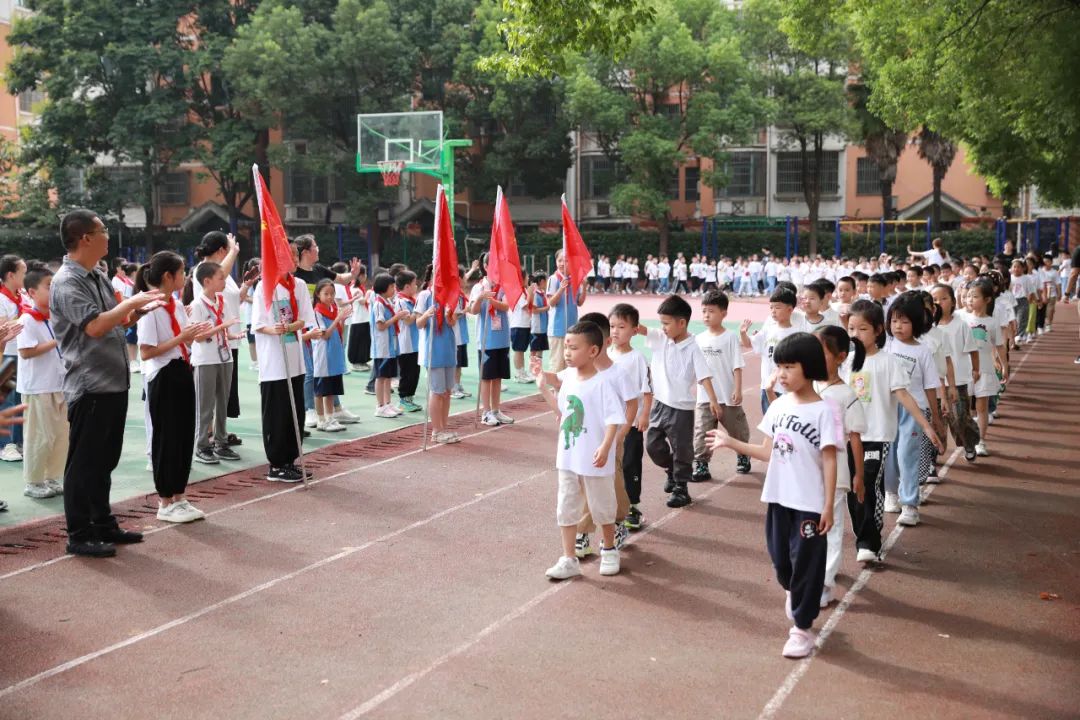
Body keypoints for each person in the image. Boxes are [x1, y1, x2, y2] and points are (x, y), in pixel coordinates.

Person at [708, 332, 840, 658]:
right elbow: (766, 451)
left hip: (809, 504)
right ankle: (794, 592)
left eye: (789, 367)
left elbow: (829, 459)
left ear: (808, 367)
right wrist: (730, 442)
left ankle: (802, 629)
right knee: (781, 561)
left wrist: (828, 505)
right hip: (779, 499)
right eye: (779, 366)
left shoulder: (826, 411)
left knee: (807, 564)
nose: (781, 374)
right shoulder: (779, 405)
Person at [51, 210, 161, 556]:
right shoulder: (67, 281)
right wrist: (129, 303)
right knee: (84, 463)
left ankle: (102, 523)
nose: (107, 235)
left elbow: (113, 318)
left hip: (111, 383)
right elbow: (94, 326)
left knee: (104, 460)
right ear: (85, 238)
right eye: (102, 230)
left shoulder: (96, 275)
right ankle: (79, 533)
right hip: (90, 385)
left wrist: (136, 311)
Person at [845, 300, 939, 563]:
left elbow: (904, 396)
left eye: (862, 329)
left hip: (877, 437)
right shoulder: (846, 361)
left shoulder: (888, 362)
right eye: (851, 328)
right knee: (853, 491)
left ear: (877, 330)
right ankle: (863, 535)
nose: (855, 335)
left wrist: (926, 425)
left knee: (868, 485)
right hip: (850, 438)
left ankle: (869, 542)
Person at [534, 321, 625, 580]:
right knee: (566, 505)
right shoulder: (570, 379)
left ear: (593, 351)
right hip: (568, 456)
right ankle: (568, 557)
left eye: (574, 348)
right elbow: (562, 413)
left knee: (602, 505)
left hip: (594, 458)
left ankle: (609, 550)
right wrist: (543, 387)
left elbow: (613, 420)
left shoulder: (602, 383)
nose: (567, 352)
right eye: (566, 347)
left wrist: (606, 447)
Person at [137, 252, 215, 523]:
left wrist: (198, 334)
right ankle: (165, 500)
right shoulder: (151, 307)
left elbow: (184, 338)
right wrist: (182, 337)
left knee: (183, 436)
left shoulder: (176, 304)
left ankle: (180, 495)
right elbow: (146, 352)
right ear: (168, 276)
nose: (185, 277)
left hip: (183, 369)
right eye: (181, 273)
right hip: (163, 375)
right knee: (167, 438)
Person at [638, 295, 718, 508]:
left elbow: (704, 376)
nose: (662, 327)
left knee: (682, 448)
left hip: (681, 408)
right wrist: (625, 322)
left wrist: (713, 401)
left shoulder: (693, 347)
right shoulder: (660, 338)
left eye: (666, 323)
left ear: (681, 323)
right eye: (661, 323)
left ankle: (681, 488)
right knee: (653, 446)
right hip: (660, 404)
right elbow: (640, 328)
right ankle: (672, 470)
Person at [572, 312, 638, 559]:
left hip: (612, 440)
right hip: (587, 438)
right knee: (586, 483)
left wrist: (622, 433)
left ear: (602, 344)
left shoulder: (617, 373)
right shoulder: (580, 373)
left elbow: (631, 404)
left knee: (608, 483)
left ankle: (612, 523)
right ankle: (587, 532)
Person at [252, 253, 317, 482]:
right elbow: (259, 324)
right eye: (288, 254)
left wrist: (291, 326)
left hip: (295, 359)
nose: (294, 258)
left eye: (295, 254)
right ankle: (276, 464)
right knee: (277, 414)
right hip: (274, 364)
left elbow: (305, 319)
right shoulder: (264, 286)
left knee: (294, 412)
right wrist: (275, 329)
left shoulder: (298, 285)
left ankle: (290, 460)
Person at [813, 326, 866, 606]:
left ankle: (824, 582)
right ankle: (814, 571)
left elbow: (855, 438)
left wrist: (859, 475)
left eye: (820, 352)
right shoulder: (809, 387)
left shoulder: (846, 394)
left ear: (840, 356)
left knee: (832, 527)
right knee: (812, 523)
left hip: (838, 473)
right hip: (810, 470)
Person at [881, 292, 944, 527]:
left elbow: (930, 386)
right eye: (894, 320)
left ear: (917, 324)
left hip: (914, 411)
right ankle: (891, 493)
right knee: (889, 454)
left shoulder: (922, 351)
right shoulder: (886, 345)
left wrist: (935, 418)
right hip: (888, 408)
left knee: (907, 456)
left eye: (905, 321)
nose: (898, 326)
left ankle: (910, 504)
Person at [292, 235, 361, 428]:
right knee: (311, 371)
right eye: (315, 246)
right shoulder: (295, 274)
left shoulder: (319, 270)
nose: (318, 249)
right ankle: (310, 410)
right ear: (305, 251)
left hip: (323, 323)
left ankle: (335, 408)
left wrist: (353, 274)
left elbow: (341, 279)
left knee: (330, 369)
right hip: (305, 326)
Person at [188, 232, 245, 441]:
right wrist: (234, 251)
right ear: (222, 250)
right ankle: (207, 435)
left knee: (224, 393)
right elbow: (220, 273)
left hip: (226, 341)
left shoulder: (224, 275)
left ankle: (220, 433)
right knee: (208, 394)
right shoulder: (205, 271)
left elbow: (232, 298)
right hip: (210, 342)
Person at [17, 265, 67, 499]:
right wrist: (57, 341)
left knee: (59, 436)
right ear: (32, 292)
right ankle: (33, 481)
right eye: (49, 287)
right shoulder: (27, 319)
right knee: (39, 436)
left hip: (58, 384)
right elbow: (26, 351)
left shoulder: (55, 318)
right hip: (37, 387)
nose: (53, 291)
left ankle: (52, 477)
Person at [692, 290, 751, 481]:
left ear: (724, 313)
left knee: (737, 429)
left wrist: (738, 389)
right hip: (705, 398)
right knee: (703, 431)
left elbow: (737, 366)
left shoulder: (730, 337)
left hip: (728, 395)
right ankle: (701, 464)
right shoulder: (698, 339)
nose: (706, 315)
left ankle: (743, 454)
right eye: (704, 311)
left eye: (711, 311)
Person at [607, 303, 651, 531]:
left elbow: (647, 390)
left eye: (621, 327)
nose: (615, 331)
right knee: (612, 465)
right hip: (609, 424)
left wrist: (644, 414)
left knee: (630, 464)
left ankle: (633, 506)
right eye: (612, 326)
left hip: (632, 424)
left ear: (635, 330)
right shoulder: (605, 356)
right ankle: (615, 505)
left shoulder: (637, 359)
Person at [931, 283, 980, 462]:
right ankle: (934, 454)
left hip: (958, 380)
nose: (939, 303)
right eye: (934, 300)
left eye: (943, 299)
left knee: (959, 418)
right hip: (934, 383)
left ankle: (969, 442)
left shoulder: (962, 324)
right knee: (937, 422)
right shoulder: (928, 328)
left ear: (952, 301)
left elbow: (973, 349)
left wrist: (976, 369)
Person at [959, 278, 1007, 456]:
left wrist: (1004, 366)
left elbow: (999, 346)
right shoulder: (962, 317)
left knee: (982, 407)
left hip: (985, 370)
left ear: (987, 300)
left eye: (975, 296)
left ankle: (980, 441)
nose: (970, 300)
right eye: (968, 296)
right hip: (965, 370)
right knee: (965, 408)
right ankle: (969, 438)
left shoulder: (992, 322)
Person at [741, 288, 804, 414]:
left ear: (790, 309)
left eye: (777, 308)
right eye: (771, 308)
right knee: (770, 420)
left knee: (787, 419)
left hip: (789, 387)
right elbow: (749, 344)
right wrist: (743, 333)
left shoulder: (797, 334)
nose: (773, 311)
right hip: (768, 385)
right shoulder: (768, 330)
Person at [416, 265, 460, 445]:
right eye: (438, 274)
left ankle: (444, 427)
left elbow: (452, 322)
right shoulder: (426, 295)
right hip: (433, 350)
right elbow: (418, 323)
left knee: (447, 391)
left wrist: (450, 317)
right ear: (432, 275)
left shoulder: (450, 295)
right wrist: (426, 314)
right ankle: (436, 430)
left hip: (448, 348)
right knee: (437, 391)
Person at [470, 255, 514, 426]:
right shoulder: (478, 287)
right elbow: (473, 311)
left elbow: (505, 306)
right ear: (486, 266)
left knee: (498, 377)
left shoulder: (504, 287)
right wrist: (481, 297)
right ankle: (486, 412)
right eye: (493, 265)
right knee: (486, 377)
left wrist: (491, 299)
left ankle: (496, 409)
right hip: (486, 339)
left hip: (502, 339)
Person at [307, 279, 352, 431]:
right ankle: (321, 420)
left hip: (334, 355)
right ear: (318, 295)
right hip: (323, 356)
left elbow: (337, 330)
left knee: (331, 389)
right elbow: (324, 335)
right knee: (320, 390)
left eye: (332, 294)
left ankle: (330, 418)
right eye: (326, 294)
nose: (330, 297)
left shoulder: (333, 309)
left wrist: (342, 320)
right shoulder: (317, 312)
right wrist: (338, 319)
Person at [0, 253, 26, 462]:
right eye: (23, 272)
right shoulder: (1, 298)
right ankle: (6, 445)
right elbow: (3, 327)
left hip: (21, 353)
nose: (25, 276)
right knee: (7, 400)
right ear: (11, 275)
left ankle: (18, 442)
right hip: (6, 354)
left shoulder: (22, 295)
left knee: (19, 399)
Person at [371, 272, 407, 418]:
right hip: (382, 347)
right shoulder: (379, 304)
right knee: (381, 377)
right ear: (383, 288)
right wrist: (396, 317)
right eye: (392, 286)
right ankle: (380, 406)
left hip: (389, 345)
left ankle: (387, 403)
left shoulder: (387, 302)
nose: (394, 289)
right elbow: (380, 326)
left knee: (388, 377)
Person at [546, 250, 586, 373]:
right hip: (557, 329)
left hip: (573, 328)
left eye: (566, 260)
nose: (563, 263)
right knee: (558, 365)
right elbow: (551, 303)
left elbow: (579, 302)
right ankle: (556, 392)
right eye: (560, 260)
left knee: (571, 364)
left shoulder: (575, 279)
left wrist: (584, 287)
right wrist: (561, 289)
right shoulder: (553, 279)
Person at [394, 270, 423, 413]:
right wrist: (420, 310)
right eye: (414, 284)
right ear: (406, 286)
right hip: (406, 344)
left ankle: (410, 399)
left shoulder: (411, 301)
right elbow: (409, 320)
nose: (416, 286)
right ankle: (403, 399)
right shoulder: (400, 302)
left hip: (415, 343)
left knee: (415, 372)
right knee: (407, 373)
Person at [344, 265, 371, 371]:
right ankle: (356, 362)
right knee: (358, 341)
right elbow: (362, 301)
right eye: (364, 274)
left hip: (363, 318)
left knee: (363, 341)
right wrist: (369, 294)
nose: (366, 276)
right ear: (361, 276)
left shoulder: (357, 288)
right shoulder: (356, 289)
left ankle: (362, 361)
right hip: (359, 319)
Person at [527, 271, 549, 373]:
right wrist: (546, 308)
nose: (547, 283)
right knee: (534, 349)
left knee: (540, 348)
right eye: (546, 281)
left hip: (543, 327)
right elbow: (533, 310)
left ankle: (538, 369)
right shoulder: (535, 294)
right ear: (541, 281)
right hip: (537, 327)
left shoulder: (542, 293)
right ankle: (532, 369)